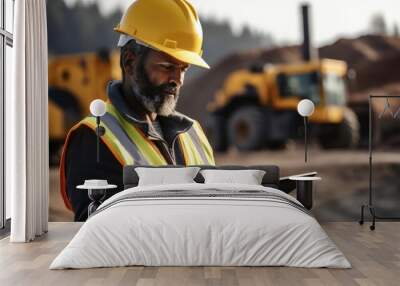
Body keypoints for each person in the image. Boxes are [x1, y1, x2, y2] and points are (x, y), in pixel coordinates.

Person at [59, 0, 215, 221]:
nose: (177, 80)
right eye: (167, 66)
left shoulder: (193, 132)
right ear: (130, 61)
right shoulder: (94, 137)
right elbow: (99, 233)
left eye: (183, 68)